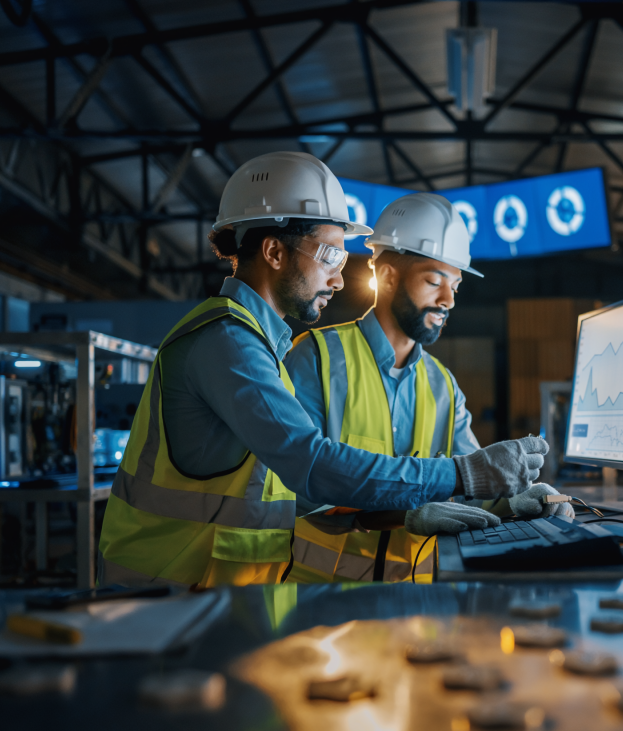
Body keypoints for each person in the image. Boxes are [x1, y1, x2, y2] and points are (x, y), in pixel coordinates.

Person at [98, 152, 547, 588]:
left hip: (217, 589)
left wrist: (499, 503)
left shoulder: (258, 342)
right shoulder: (229, 341)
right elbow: (310, 466)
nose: (338, 279)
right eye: (330, 256)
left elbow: (281, 491)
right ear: (274, 251)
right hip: (166, 595)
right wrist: (462, 475)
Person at [285, 193, 572, 584]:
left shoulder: (443, 386)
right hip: (323, 605)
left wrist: (515, 500)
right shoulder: (315, 360)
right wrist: (398, 514)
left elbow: (474, 480)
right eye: (434, 281)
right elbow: (297, 493)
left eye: (455, 284)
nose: (448, 299)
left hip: (416, 608)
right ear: (386, 276)